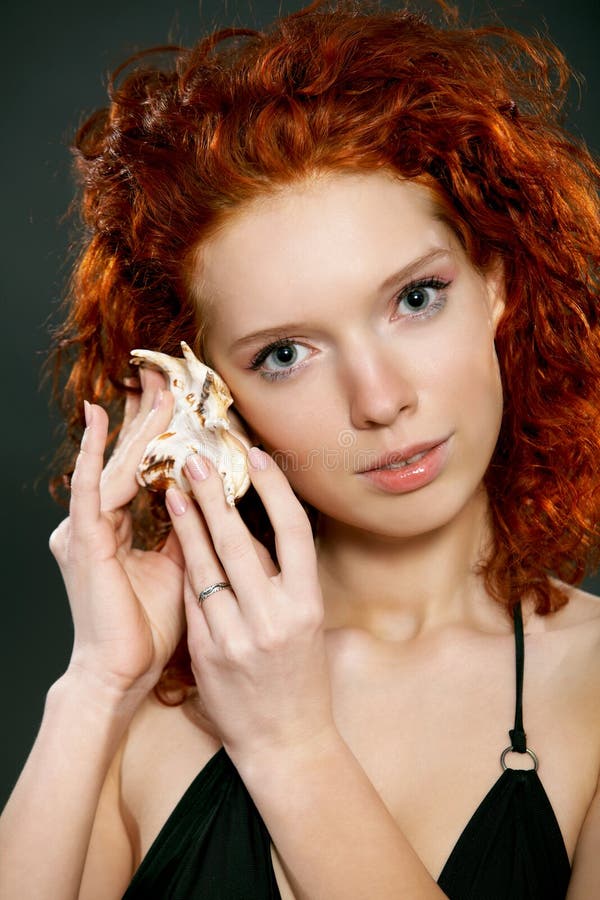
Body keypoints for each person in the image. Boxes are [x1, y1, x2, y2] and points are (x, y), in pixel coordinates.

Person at [1, 0, 599, 896]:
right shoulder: (149, 699)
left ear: (497, 285)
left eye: (417, 298)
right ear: (206, 393)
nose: (382, 399)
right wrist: (95, 687)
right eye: (285, 354)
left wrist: (290, 746)